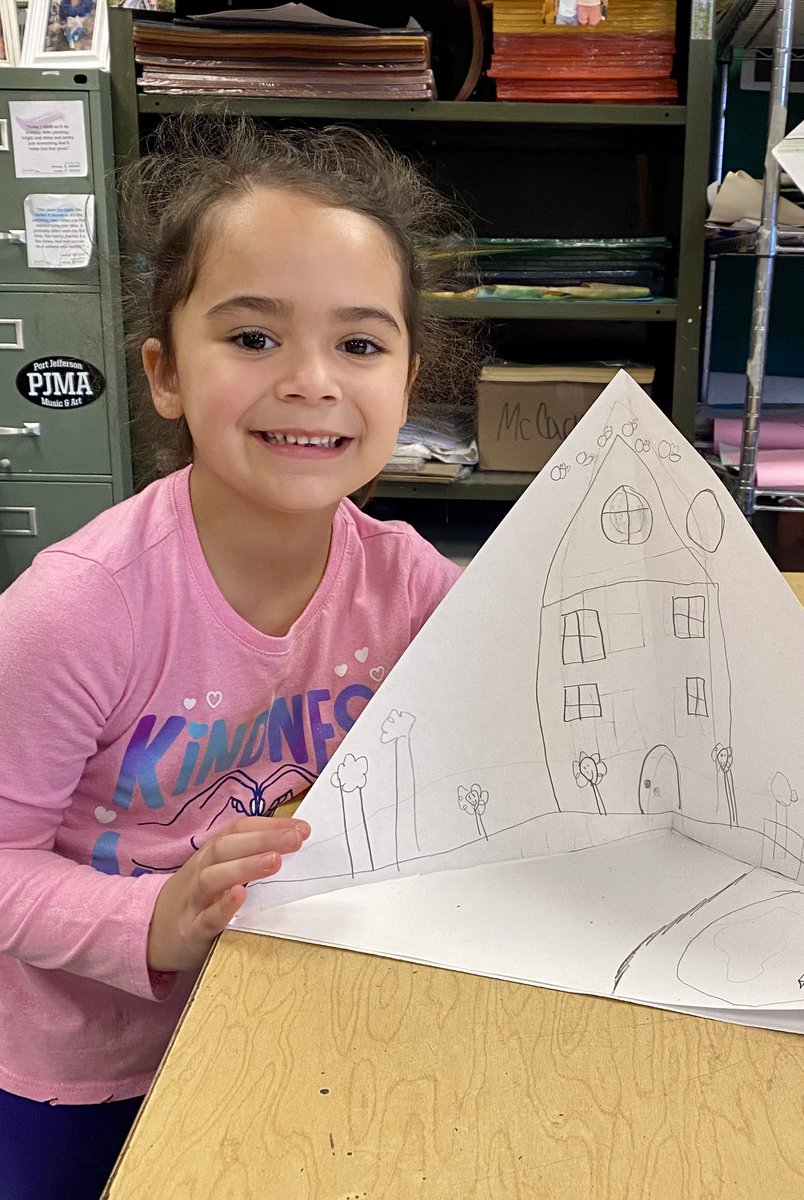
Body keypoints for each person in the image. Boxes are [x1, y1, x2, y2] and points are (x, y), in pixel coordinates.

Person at [0, 115, 476, 1200]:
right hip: (77, 1070)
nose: (311, 380)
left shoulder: (410, 585)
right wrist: (150, 920)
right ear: (165, 373)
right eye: (254, 337)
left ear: (409, 378)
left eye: (359, 344)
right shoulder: (81, 610)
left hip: (290, 1022)